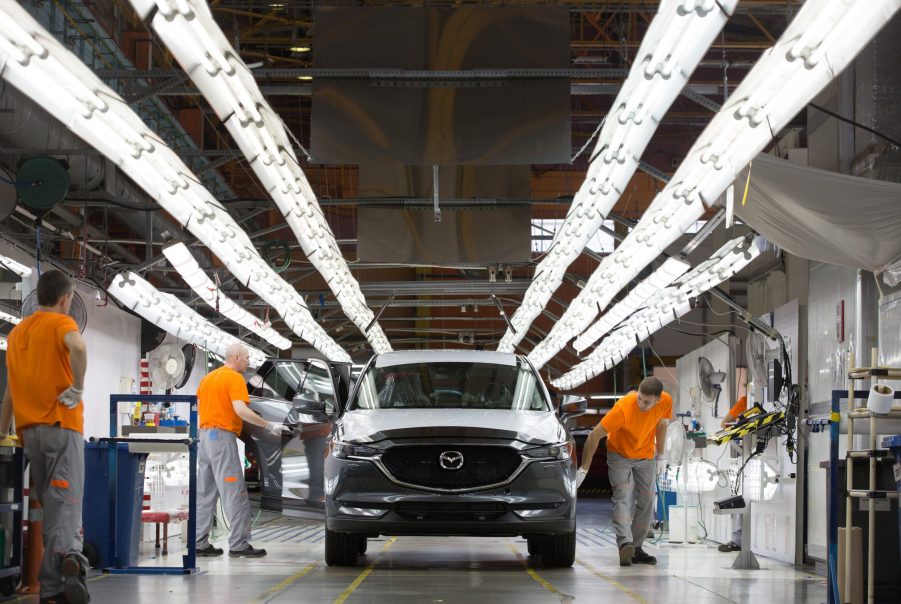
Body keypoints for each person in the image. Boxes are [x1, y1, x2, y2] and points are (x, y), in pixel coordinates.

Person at [0, 269, 90, 604]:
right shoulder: (60, 323)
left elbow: (10, 389)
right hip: (60, 426)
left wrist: (2, 430)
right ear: (65, 299)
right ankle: (64, 572)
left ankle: (54, 581)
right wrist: (78, 388)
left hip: (29, 435)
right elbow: (78, 348)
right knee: (67, 505)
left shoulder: (18, 332)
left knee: (50, 508)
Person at [195, 343, 292, 558]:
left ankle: (199, 543)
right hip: (221, 439)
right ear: (236, 357)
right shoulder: (234, 379)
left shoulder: (208, 378)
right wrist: (268, 425)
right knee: (235, 493)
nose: (248, 362)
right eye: (247, 358)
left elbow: (203, 406)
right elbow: (240, 410)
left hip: (204, 439)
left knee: (205, 494)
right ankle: (239, 544)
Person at [577, 376, 673, 567]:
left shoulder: (666, 401)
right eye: (639, 398)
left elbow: (662, 424)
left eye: (647, 401)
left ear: (658, 400)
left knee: (647, 500)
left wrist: (661, 455)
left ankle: (636, 548)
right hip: (619, 455)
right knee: (622, 497)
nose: (641, 404)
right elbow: (594, 435)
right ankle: (625, 544)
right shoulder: (623, 408)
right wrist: (583, 469)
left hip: (646, 456)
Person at [717, 395, 747, 553]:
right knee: (740, 496)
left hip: (765, 457)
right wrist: (739, 437)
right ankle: (737, 540)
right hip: (747, 455)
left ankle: (740, 540)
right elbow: (725, 424)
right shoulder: (745, 401)